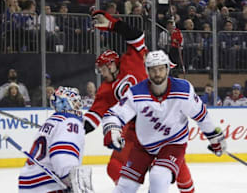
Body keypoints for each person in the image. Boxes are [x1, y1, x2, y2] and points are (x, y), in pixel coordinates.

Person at [84, 10, 195, 193]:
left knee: (175, 166)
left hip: (162, 118)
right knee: (114, 166)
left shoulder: (133, 60)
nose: (101, 74)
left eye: (102, 69)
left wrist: (114, 25)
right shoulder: (106, 89)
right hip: (135, 130)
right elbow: (93, 117)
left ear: (111, 64)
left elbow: (137, 36)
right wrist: (71, 127)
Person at [101, 50, 226, 193]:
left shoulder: (183, 90)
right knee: (126, 186)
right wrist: (113, 129)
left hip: (172, 144)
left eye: (161, 68)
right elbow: (114, 113)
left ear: (167, 69)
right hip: (144, 146)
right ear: (147, 71)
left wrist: (215, 138)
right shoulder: (137, 92)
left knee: (158, 177)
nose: (157, 73)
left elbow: (202, 116)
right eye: (153, 69)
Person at [18, 86, 93, 192]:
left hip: (28, 182)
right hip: (48, 185)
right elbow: (62, 154)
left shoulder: (52, 121)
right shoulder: (70, 121)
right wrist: (70, 179)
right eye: (75, 102)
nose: (79, 105)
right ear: (64, 103)